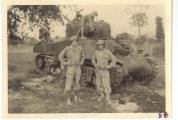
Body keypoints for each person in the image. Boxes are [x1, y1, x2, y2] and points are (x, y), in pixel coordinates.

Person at [59, 36, 85, 105]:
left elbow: (83, 56)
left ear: (77, 42)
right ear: (71, 42)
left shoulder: (80, 49)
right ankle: (68, 98)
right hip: (70, 67)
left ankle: (76, 97)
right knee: (69, 82)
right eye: (73, 41)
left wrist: (81, 62)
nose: (74, 42)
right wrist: (65, 63)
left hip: (78, 68)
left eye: (75, 41)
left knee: (77, 82)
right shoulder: (67, 49)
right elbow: (60, 56)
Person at [92, 40, 116, 105]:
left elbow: (114, 59)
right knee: (99, 83)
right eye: (99, 45)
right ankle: (102, 95)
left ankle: (107, 97)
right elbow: (93, 59)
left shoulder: (107, 52)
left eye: (101, 45)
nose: (100, 46)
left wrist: (109, 66)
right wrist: (95, 64)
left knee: (106, 84)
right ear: (97, 46)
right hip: (98, 70)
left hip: (105, 70)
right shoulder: (96, 52)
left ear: (103, 45)